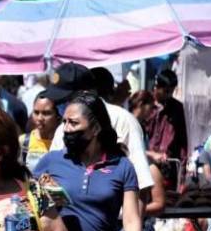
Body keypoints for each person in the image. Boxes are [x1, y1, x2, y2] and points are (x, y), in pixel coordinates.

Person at [33, 92, 144, 231]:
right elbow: (31, 207)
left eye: (74, 123)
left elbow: (131, 219)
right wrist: (50, 195)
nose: (67, 129)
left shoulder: (122, 166)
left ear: (95, 128)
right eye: (64, 122)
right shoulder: (50, 162)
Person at [47, 64, 153, 193]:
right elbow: (51, 179)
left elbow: (141, 183)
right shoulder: (62, 129)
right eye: (58, 102)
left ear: (85, 94)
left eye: (65, 100)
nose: (61, 106)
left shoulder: (123, 120)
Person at [147, 68, 188, 163]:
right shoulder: (146, 104)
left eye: (171, 92)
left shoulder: (177, 108)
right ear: (157, 87)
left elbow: (182, 140)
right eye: (166, 91)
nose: (169, 95)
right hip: (146, 160)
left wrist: (183, 164)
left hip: (167, 163)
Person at [22, 92, 59, 165]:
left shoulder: (62, 144)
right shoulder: (23, 142)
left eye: (46, 113)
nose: (40, 118)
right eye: (36, 112)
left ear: (57, 116)